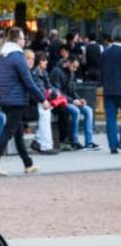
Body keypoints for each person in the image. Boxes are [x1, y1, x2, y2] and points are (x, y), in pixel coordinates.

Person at [0, 27, 50, 176]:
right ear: (17, 40)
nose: (24, 41)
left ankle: (28, 164)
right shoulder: (18, 56)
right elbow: (28, 82)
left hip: (5, 99)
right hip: (16, 100)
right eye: (23, 38)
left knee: (18, 132)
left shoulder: (2, 57)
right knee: (9, 131)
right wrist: (43, 100)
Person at [51, 55, 100, 150]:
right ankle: (75, 141)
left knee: (88, 110)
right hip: (60, 102)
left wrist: (80, 99)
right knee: (75, 111)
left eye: (76, 67)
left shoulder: (71, 72)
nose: (75, 69)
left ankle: (89, 142)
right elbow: (57, 93)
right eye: (74, 66)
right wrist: (73, 101)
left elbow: (73, 92)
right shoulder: (56, 71)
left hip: (70, 101)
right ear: (68, 63)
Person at [29, 51, 65, 154]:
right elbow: (40, 91)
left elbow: (49, 87)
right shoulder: (35, 73)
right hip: (34, 103)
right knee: (45, 112)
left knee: (49, 110)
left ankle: (38, 141)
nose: (46, 62)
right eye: (44, 60)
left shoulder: (44, 72)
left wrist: (56, 91)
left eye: (46, 60)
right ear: (39, 62)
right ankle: (46, 146)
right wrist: (53, 94)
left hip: (43, 101)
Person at [100, 26, 121, 154]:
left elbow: (101, 72)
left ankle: (113, 145)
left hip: (108, 89)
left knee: (111, 119)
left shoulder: (104, 53)